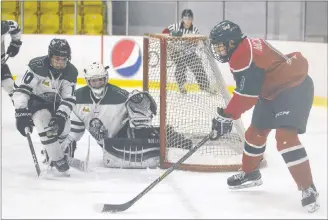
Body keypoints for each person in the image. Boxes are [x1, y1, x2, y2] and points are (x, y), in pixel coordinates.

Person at [209, 20, 319, 212]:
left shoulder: (242, 54)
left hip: (294, 87)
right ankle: (250, 174)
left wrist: (227, 116)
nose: (218, 50)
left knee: (285, 139)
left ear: (232, 43)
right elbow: (249, 90)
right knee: (254, 134)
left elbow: (247, 96)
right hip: (270, 91)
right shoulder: (244, 47)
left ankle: (308, 187)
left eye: (220, 45)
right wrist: (228, 115)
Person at [62, 62, 193, 169]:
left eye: (100, 80)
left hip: (125, 136)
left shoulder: (119, 94)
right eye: (93, 81)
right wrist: (61, 148)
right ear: (87, 81)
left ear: (105, 78)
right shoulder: (77, 98)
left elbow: (137, 108)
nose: (97, 84)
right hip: (109, 147)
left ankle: (171, 137)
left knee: (144, 133)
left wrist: (138, 103)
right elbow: (75, 130)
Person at [12, 38, 78, 175]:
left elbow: (68, 98)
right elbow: (22, 90)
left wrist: (60, 116)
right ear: (50, 56)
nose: (60, 63)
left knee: (65, 127)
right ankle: (57, 158)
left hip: (56, 104)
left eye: (63, 59)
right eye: (57, 58)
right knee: (44, 122)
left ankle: (51, 151)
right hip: (36, 102)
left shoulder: (71, 71)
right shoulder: (37, 65)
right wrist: (21, 111)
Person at [162, 9, 214, 94]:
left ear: (192, 19)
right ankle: (181, 86)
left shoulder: (195, 30)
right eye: (185, 18)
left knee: (198, 65)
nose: (188, 20)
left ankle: (205, 87)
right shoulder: (175, 26)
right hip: (176, 52)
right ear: (182, 19)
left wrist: (192, 42)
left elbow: (196, 43)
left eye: (189, 18)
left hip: (189, 53)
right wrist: (172, 34)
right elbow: (163, 33)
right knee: (181, 65)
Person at [1, 20, 22, 98]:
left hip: (1, 66)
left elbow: (15, 26)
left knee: (10, 86)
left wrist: (16, 42)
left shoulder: (2, 26)